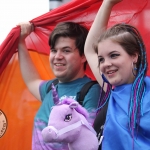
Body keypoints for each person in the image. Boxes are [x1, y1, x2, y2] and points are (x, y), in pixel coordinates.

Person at [18, 22, 101, 150]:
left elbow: (88, 142)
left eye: (66, 50)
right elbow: (31, 81)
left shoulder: (92, 91)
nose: (57, 57)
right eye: (54, 50)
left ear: (84, 55)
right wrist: (21, 41)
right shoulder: (51, 88)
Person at [84, 0, 150, 150]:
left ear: (134, 56)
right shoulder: (110, 88)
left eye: (114, 55)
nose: (105, 64)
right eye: (101, 59)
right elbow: (89, 49)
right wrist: (107, 4)